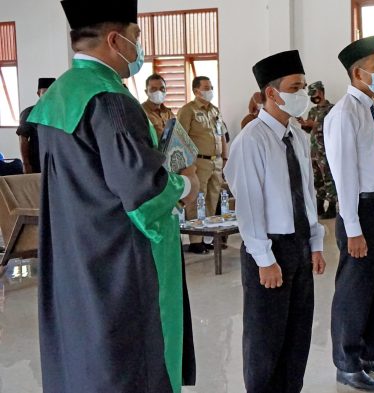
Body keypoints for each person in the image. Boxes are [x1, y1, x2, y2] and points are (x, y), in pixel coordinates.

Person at [27, 0, 200, 391]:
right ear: (114, 39)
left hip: (77, 251)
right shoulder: (111, 101)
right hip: (120, 260)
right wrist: (185, 185)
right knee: (130, 358)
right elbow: (144, 194)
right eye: (136, 36)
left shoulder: (60, 94)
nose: (139, 47)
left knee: (85, 350)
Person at [224, 50, 327, 393]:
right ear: (271, 93)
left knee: (297, 335)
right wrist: (264, 259)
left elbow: (308, 194)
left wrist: (315, 243)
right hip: (269, 249)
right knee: (266, 340)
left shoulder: (297, 134)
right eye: (296, 87)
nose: (304, 94)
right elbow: (249, 208)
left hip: (298, 245)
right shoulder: (251, 140)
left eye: (304, 86)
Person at [325, 36, 374, 391]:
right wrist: (352, 228)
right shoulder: (344, 114)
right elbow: (344, 175)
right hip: (360, 211)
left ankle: (371, 353)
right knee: (354, 290)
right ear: (358, 73)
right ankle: (347, 362)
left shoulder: (369, 109)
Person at [178, 76, 228, 254]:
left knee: (211, 200)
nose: (210, 90)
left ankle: (207, 236)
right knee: (196, 200)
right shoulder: (188, 111)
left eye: (211, 87)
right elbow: (181, 138)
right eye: (206, 87)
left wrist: (225, 157)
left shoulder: (215, 111)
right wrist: (187, 165)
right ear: (196, 91)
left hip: (216, 161)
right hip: (198, 162)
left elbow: (221, 135)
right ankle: (195, 240)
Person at [301, 81, 337, 219]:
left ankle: (332, 207)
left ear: (321, 92)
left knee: (329, 178)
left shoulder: (332, 109)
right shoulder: (313, 111)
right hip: (315, 152)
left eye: (314, 94)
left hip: (327, 151)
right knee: (317, 179)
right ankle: (320, 206)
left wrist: (316, 124)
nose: (313, 97)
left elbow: (333, 127)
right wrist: (305, 125)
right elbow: (310, 130)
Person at [16, 77, 54, 174]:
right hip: (37, 164)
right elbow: (23, 139)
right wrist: (26, 164)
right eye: (45, 93)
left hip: (56, 163)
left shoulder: (60, 113)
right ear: (38, 93)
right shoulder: (29, 113)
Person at [141, 73, 174, 138]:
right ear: (146, 92)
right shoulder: (141, 112)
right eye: (153, 89)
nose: (158, 92)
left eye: (162, 89)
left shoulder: (169, 113)